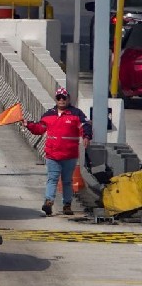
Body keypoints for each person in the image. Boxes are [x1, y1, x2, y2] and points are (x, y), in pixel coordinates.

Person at [24, 87, 91, 216]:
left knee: (67, 181)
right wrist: (28, 124)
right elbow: (39, 128)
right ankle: (48, 202)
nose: (61, 100)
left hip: (69, 155)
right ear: (56, 99)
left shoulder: (76, 114)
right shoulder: (49, 114)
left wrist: (86, 136)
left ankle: (67, 205)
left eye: (63, 98)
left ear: (68, 99)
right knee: (52, 179)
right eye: (59, 98)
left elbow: (85, 125)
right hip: (52, 154)